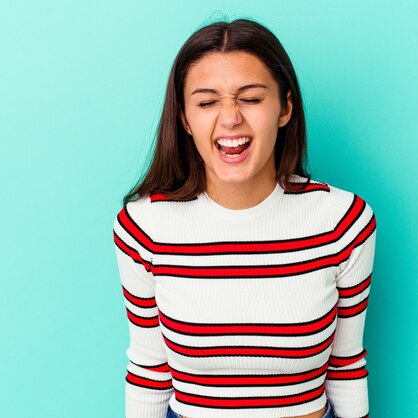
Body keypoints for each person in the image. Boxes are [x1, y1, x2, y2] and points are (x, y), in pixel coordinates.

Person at [113, 17, 376, 418]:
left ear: (285, 107)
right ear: (184, 118)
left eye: (251, 98)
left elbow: (346, 365)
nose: (230, 117)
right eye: (206, 102)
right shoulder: (143, 228)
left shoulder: (344, 223)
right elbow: (149, 372)